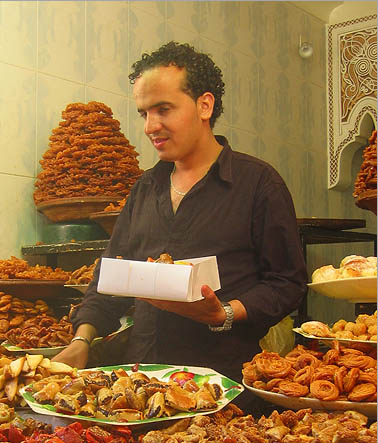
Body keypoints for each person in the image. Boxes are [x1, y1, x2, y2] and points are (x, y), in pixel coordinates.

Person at [53, 42, 307, 413]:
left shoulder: (258, 184)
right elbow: (110, 281)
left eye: (163, 110)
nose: (150, 126)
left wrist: (225, 313)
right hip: (141, 390)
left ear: (204, 105)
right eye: (143, 113)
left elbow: (287, 283)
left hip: (224, 392)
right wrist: (83, 339)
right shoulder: (145, 188)